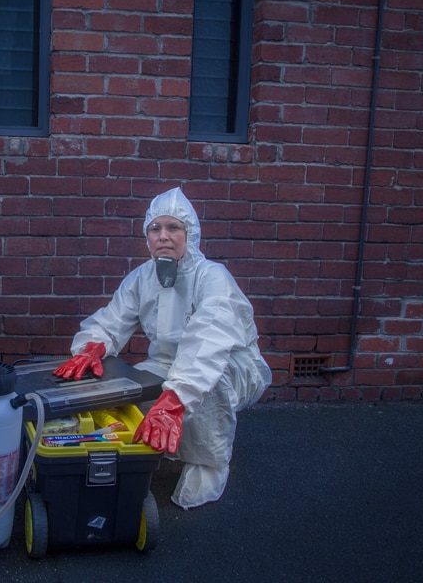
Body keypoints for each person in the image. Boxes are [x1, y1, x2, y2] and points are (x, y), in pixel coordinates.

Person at [53, 187, 271, 508]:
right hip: (171, 365)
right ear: (147, 236)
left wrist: (174, 399)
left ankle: (210, 461)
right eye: (155, 229)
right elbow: (114, 318)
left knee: (207, 387)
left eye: (174, 228)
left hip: (229, 368)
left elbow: (207, 342)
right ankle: (165, 439)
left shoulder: (211, 277)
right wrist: (93, 345)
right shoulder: (143, 277)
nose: (164, 236)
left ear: (190, 234)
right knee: (128, 390)